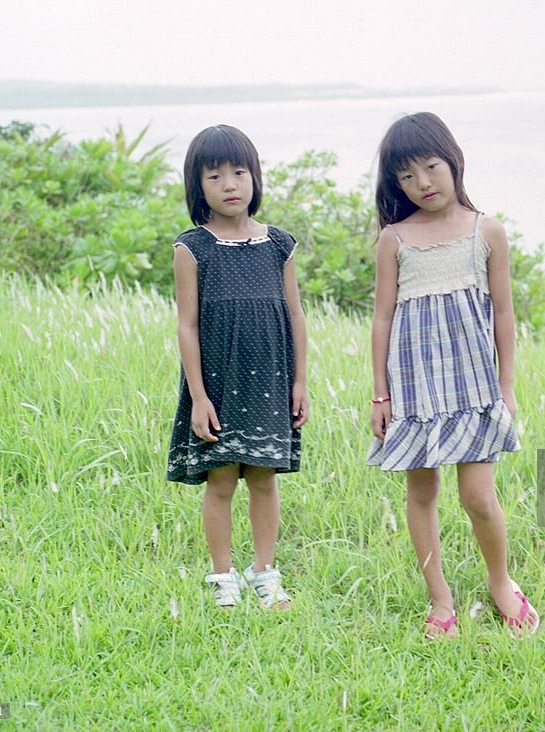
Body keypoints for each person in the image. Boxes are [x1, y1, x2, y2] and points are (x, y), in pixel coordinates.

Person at [367, 113, 539, 638]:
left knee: (478, 496)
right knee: (421, 493)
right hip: (415, 389)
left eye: (432, 167)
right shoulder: (394, 239)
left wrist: (506, 386)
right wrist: (380, 394)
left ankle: (500, 581)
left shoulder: (486, 231)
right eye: (408, 176)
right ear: (395, 184)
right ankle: (440, 599)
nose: (423, 183)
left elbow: (504, 314)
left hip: (474, 386)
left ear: (453, 161)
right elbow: (382, 317)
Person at [166, 125, 308, 611]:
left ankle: (265, 573)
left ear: (254, 178)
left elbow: (295, 315)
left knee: (265, 477)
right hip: (220, 384)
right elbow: (187, 325)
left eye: (239, 173)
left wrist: (301, 380)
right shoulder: (193, 247)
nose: (229, 184)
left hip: (271, 379)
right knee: (222, 479)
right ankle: (222, 575)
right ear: (197, 186)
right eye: (215, 176)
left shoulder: (278, 244)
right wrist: (200, 396)